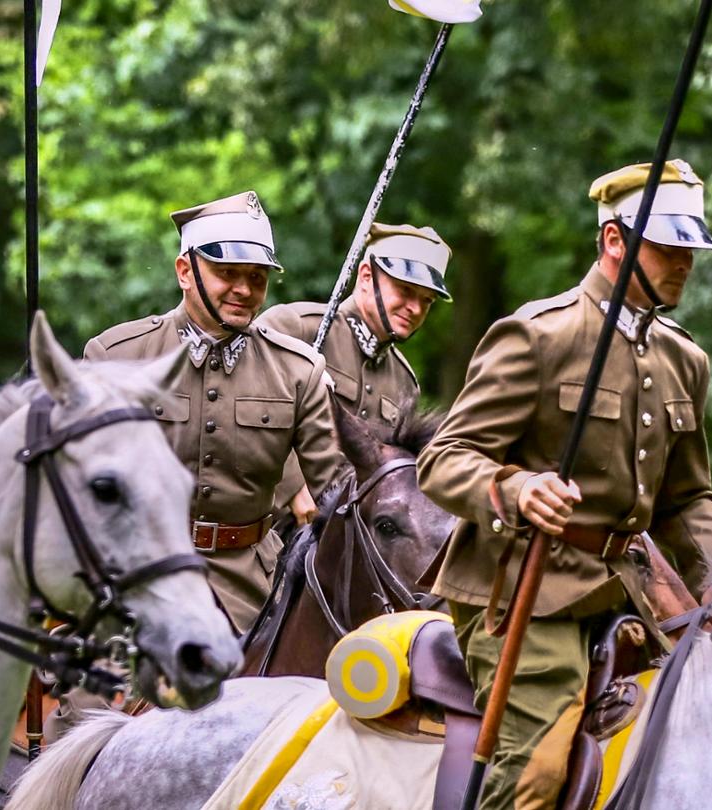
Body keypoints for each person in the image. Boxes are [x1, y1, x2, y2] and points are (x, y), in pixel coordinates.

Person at [416, 159, 712, 807]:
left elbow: (688, 498)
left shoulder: (684, 359)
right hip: (521, 588)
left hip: (629, 591)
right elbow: (445, 460)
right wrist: (515, 489)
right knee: (539, 764)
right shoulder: (539, 335)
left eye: (690, 250)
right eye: (668, 248)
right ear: (615, 241)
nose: (684, 264)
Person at [83, 191, 341, 634]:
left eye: (257, 277)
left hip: (248, 591)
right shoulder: (115, 357)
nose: (244, 290)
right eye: (227, 273)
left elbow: (338, 498)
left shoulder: (299, 371)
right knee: (91, 703)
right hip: (129, 578)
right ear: (185, 271)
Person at [258, 222, 450, 521]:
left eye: (426, 300)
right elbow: (237, 413)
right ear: (365, 276)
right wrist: (293, 486)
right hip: (263, 528)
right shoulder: (296, 327)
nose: (414, 307)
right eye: (405, 290)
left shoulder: (403, 381)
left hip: (340, 544)